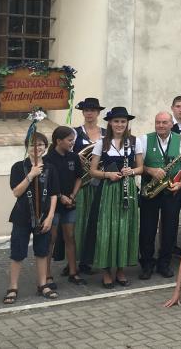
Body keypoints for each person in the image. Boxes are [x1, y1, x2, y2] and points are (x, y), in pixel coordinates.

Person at [3, 132, 60, 304]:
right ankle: (13, 287)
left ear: (45, 146)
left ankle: (42, 284)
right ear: (27, 147)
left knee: (42, 251)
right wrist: (31, 175)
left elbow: (54, 195)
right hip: (22, 217)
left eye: (41, 144)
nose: (38, 148)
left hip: (43, 216)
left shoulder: (50, 168)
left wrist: (50, 217)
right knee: (18, 252)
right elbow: (16, 192)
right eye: (33, 145)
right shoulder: (18, 167)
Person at [88, 107, 142, 288]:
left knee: (124, 228)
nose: (120, 124)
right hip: (108, 190)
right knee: (107, 230)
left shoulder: (136, 142)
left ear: (127, 123)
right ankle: (106, 271)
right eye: (116, 121)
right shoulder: (102, 142)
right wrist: (107, 175)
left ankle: (120, 269)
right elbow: (92, 171)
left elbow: (141, 168)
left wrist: (132, 170)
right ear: (110, 123)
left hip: (128, 191)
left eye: (123, 121)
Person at [138, 111, 181, 280]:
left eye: (164, 122)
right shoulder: (144, 139)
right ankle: (147, 263)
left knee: (170, 228)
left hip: (171, 190)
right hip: (151, 189)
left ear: (171, 124)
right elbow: (139, 165)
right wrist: (150, 170)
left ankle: (164, 263)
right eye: (158, 122)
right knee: (147, 228)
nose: (160, 125)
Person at [43, 126, 85, 287]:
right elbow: (47, 183)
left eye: (73, 139)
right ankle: (47, 275)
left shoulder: (73, 157)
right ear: (58, 141)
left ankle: (73, 272)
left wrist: (73, 195)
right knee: (51, 240)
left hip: (70, 204)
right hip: (53, 206)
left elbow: (79, 178)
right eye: (69, 140)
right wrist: (61, 197)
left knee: (70, 237)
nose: (72, 142)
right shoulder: (48, 160)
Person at [72, 97, 106, 275]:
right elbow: (70, 156)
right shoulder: (75, 133)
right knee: (79, 223)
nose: (90, 113)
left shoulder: (106, 133)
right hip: (82, 184)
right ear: (83, 112)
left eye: (93, 110)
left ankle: (93, 259)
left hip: (100, 183)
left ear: (98, 113)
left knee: (97, 222)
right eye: (86, 110)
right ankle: (75, 261)